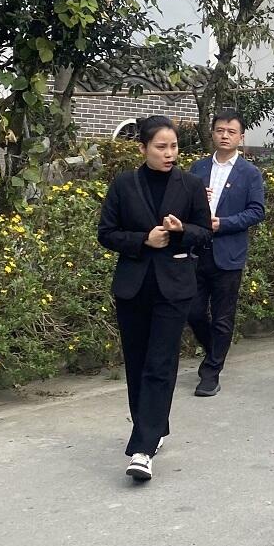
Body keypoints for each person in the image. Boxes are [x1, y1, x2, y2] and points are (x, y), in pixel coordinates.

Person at [97, 116, 213, 482]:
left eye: (174, 146)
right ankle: (153, 426)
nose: (169, 153)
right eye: (161, 147)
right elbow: (106, 233)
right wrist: (142, 239)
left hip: (174, 288)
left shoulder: (191, 185)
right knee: (137, 363)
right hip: (133, 287)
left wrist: (181, 232)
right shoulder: (124, 184)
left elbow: (204, 233)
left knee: (160, 364)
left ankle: (143, 449)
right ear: (143, 148)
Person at [186, 111, 266, 397]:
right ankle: (215, 351)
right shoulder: (198, 168)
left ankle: (211, 372)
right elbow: (183, 204)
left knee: (222, 316)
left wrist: (223, 223)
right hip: (197, 251)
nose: (225, 135)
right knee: (193, 311)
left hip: (228, 253)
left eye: (231, 132)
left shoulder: (249, 173)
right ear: (212, 133)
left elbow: (256, 211)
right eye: (220, 130)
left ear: (240, 137)